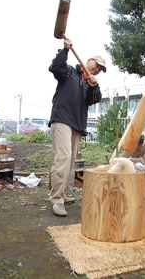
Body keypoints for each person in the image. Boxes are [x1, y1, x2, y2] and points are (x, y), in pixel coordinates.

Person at [48, 37, 106, 216]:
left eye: (99, 69)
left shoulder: (89, 84)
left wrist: (94, 87)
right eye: (95, 65)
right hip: (62, 119)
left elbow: (94, 100)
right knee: (64, 158)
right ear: (88, 61)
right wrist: (64, 50)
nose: (96, 69)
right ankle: (56, 199)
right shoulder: (70, 72)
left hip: (77, 124)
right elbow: (55, 68)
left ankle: (60, 192)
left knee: (69, 162)